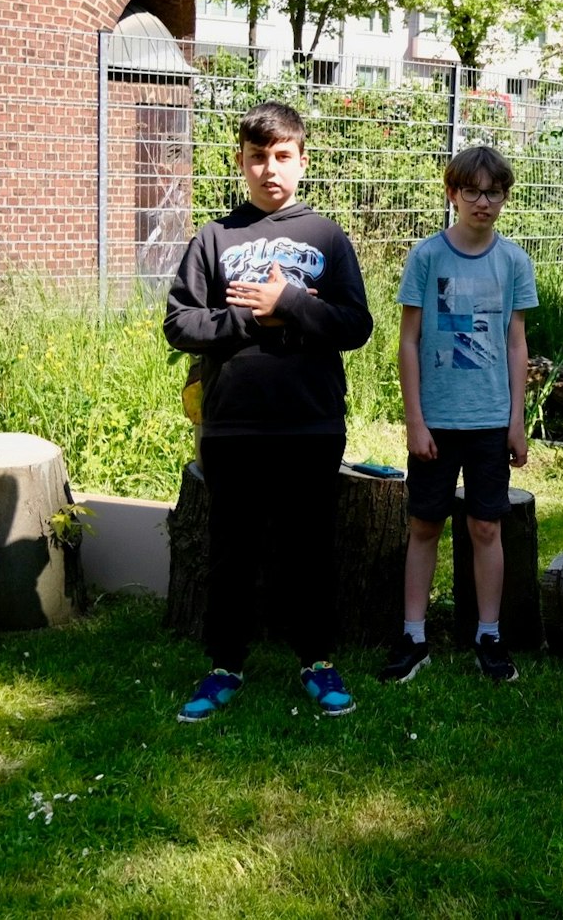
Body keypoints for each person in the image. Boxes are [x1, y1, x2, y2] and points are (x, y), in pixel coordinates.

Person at [164, 101, 375, 722]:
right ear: (241, 162)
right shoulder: (215, 237)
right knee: (233, 550)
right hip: (232, 425)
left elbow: (356, 325)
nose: (270, 170)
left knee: (308, 546)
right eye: (258, 157)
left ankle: (316, 658)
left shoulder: (327, 237)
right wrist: (249, 316)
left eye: (283, 156)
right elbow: (180, 323)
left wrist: (290, 301)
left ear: (302, 160)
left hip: (310, 422)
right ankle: (223, 664)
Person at [382, 146, 539, 684]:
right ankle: (413, 635)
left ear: (504, 197)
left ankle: (489, 636)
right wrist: (415, 420)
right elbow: (408, 341)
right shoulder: (427, 257)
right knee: (424, 523)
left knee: (486, 527)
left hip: (491, 420)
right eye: (470, 191)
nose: (482, 201)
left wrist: (516, 420)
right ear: (452, 193)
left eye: (493, 192)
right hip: (436, 420)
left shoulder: (515, 262)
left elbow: (516, 344)